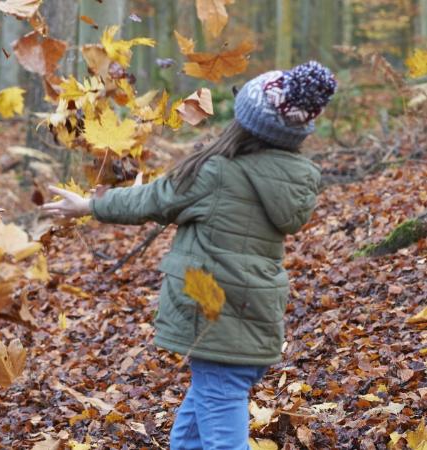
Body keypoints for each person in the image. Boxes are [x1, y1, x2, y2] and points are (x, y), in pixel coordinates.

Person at [42, 61, 337, 449]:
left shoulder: (215, 172)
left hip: (217, 322)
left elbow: (151, 200)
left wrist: (88, 207)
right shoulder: (295, 179)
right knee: (194, 429)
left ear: (244, 121)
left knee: (221, 432)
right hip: (255, 319)